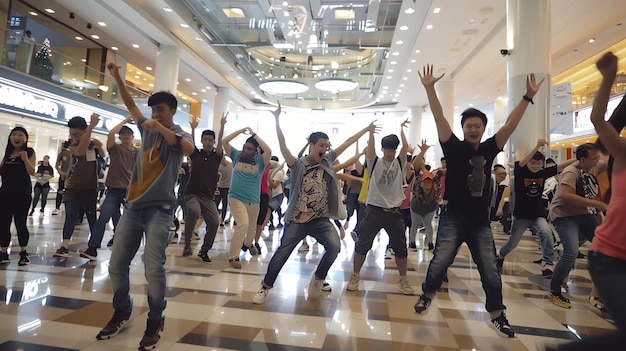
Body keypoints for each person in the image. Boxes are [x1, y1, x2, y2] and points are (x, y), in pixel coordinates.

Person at [412, 64, 543, 339]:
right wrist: (429, 89)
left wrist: (527, 98)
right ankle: (427, 294)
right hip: (453, 217)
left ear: (483, 128)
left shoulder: (490, 147)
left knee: (491, 270)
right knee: (440, 260)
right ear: (462, 129)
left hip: (480, 222)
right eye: (468, 126)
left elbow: (511, 124)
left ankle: (497, 314)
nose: (473, 129)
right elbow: (438, 119)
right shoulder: (453, 146)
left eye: (477, 125)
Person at [96, 62, 194, 350]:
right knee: (116, 264)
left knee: (153, 267)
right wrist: (118, 78)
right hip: (133, 207)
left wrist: (161, 128)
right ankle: (122, 309)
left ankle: (155, 319)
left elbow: (188, 149)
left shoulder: (178, 133)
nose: (154, 114)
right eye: (153, 110)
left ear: (172, 111)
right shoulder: (146, 126)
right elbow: (130, 105)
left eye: (160, 110)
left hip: (161, 210)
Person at [252, 102, 374, 304]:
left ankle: (318, 278)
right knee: (282, 254)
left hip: (320, 219)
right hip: (297, 219)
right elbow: (282, 146)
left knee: (335, 247)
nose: (325, 149)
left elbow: (348, 141)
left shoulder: (328, 161)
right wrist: (276, 120)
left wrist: (367, 130)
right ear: (312, 145)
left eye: (327, 146)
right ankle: (265, 287)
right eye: (321, 146)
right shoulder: (298, 165)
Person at [546, 51, 626, 351]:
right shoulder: (621, 154)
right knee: (567, 251)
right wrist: (607, 79)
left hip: (596, 231)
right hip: (611, 257)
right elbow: (597, 120)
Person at [347, 119, 416, 295]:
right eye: (388, 149)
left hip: (394, 212)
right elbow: (370, 150)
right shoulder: (374, 162)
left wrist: (401, 129)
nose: (390, 153)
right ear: (383, 149)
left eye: (393, 150)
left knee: (400, 247)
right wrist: (370, 132)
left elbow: (405, 146)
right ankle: (355, 275)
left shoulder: (400, 162)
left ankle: (403, 279)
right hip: (374, 210)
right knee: (363, 244)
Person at [496, 139, 575, 277]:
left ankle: (547, 264)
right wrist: (537, 145)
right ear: (527, 162)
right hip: (521, 215)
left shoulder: (543, 173)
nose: (535, 166)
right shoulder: (520, 172)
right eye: (532, 162)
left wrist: (577, 159)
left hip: (538, 214)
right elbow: (521, 163)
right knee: (512, 243)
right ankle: (500, 255)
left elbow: (561, 166)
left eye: (538, 163)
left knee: (546, 234)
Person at [79, 116, 137, 260]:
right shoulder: (115, 149)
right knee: (104, 217)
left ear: (132, 136)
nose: (125, 136)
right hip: (114, 190)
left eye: (128, 134)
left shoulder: (136, 153)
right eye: (123, 134)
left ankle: (120, 242)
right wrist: (124, 121)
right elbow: (111, 134)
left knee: (123, 220)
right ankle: (92, 248)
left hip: (130, 191)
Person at [221, 119, 272, 269]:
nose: (246, 151)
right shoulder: (236, 155)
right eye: (245, 147)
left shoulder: (260, 160)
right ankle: (233, 257)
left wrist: (255, 135)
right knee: (243, 224)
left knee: (251, 231)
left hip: (254, 200)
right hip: (236, 197)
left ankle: (248, 244)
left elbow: (268, 151)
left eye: (250, 149)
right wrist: (241, 130)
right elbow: (224, 142)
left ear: (256, 150)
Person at [53, 114, 104, 258]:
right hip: (73, 186)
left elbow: (103, 155)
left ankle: (92, 248)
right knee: (71, 215)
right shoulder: (72, 147)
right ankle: (64, 247)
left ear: (84, 131)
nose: (74, 136)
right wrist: (91, 127)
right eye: (71, 134)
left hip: (90, 188)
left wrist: (98, 146)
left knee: (92, 218)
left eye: (77, 134)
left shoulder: (94, 146)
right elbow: (80, 151)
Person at [181, 115, 225, 263]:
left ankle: (204, 250)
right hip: (192, 193)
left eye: (210, 140)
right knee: (193, 211)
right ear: (201, 141)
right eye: (205, 139)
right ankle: (187, 244)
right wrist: (193, 129)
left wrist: (222, 126)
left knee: (214, 223)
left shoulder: (216, 156)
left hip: (208, 197)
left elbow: (220, 146)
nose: (207, 142)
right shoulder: (196, 154)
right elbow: (191, 143)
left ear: (213, 142)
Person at [0, 127, 36, 266]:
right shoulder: (8, 153)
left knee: (20, 223)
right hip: (5, 194)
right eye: (14, 134)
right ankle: (3, 252)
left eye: (21, 135)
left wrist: (25, 159)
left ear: (26, 138)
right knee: (3, 224)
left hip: (22, 194)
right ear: (10, 137)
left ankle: (23, 253)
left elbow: (32, 172)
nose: (17, 137)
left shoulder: (29, 152)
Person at [53, 141, 71, 215]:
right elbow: (56, 165)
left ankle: (69, 209)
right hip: (63, 175)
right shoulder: (62, 153)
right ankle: (57, 207)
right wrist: (61, 172)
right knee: (60, 191)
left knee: (70, 193)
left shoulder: (75, 153)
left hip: (71, 177)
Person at [215, 158, 233, 227]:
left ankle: (222, 220)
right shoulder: (218, 165)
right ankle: (216, 219)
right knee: (216, 204)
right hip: (219, 187)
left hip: (227, 187)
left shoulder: (231, 165)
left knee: (224, 204)